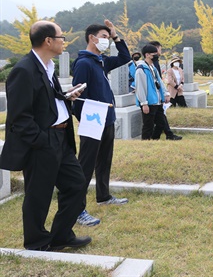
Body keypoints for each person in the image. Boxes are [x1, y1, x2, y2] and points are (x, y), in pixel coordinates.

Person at [0, 21, 91, 251]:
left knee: (76, 184)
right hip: (43, 141)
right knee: (38, 195)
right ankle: (36, 242)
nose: (64, 41)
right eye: (61, 37)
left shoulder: (47, 66)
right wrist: (41, 141)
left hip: (61, 138)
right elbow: (20, 117)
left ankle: (61, 235)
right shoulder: (24, 69)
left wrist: (65, 96)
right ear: (48, 41)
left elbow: (45, 100)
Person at [71, 21, 130, 227]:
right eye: (104, 36)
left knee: (104, 160)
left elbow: (125, 57)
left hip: (107, 118)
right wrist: (84, 121)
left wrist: (116, 37)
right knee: (85, 166)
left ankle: (103, 196)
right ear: (92, 38)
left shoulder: (101, 61)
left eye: (107, 37)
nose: (106, 40)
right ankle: (77, 209)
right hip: (93, 122)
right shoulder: (84, 63)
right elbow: (78, 97)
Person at [148, 41, 182, 140]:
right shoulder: (152, 63)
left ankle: (165, 135)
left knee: (161, 116)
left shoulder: (155, 61)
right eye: (159, 49)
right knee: (159, 117)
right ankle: (165, 135)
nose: (160, 51)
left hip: (158, 94)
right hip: (154, 95)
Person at [135, 44, 168, 140]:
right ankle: (146, 143)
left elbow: (160, 82)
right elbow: (140, 87)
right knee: (148, 126)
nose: (156, 56)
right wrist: (144, 103)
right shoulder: (141, 69)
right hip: (148, 102)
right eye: (154, 54)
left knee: (161, 123)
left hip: (157, 100)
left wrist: (166, 93)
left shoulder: (153, 68)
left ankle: (154, 140)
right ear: (147, 55)